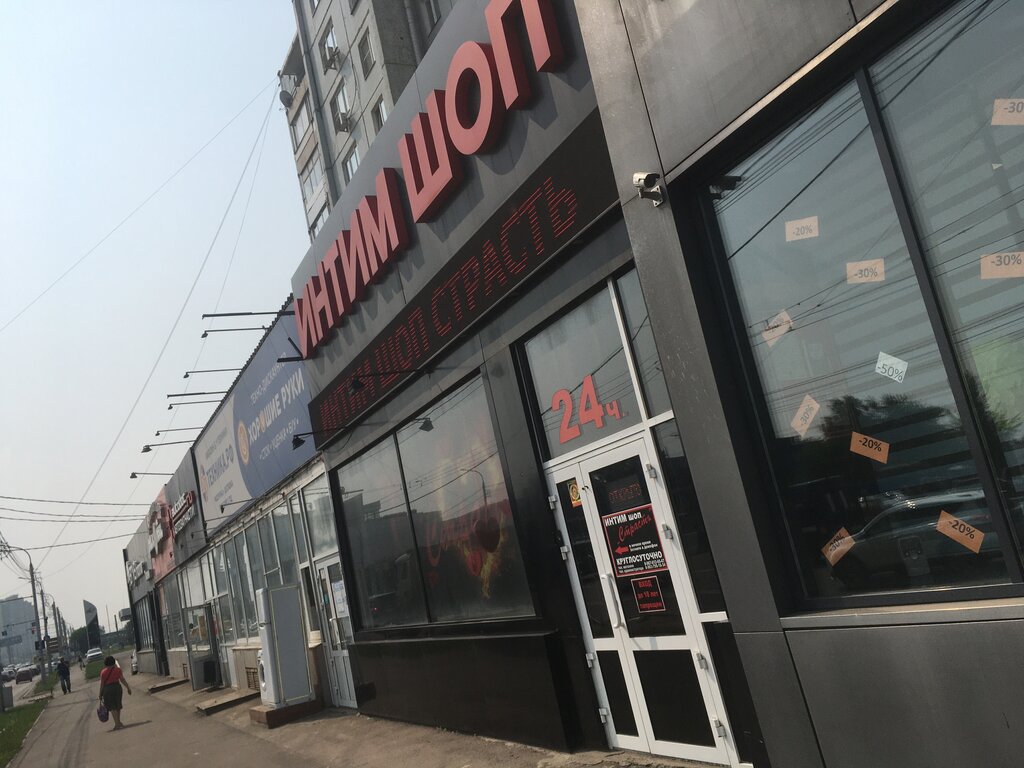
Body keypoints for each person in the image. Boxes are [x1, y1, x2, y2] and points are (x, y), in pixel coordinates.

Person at [98, 656, 131, 730]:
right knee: (118, 705)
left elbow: (102, 684)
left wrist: (100, 694)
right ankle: (118, 722)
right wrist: (128, 688)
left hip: (108, 689)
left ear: (105, 663)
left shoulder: (103, 672)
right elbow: (122, 679)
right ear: (113, 662)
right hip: (117, 687)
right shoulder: (118, 670)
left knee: (112, 707)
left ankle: (117, 724)